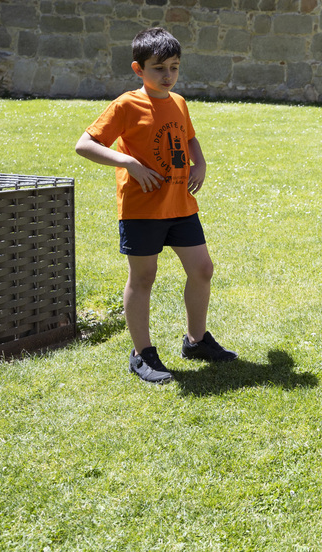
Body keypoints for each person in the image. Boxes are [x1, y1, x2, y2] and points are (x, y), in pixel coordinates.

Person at [75, 26, 237, 385]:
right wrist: (128, 162)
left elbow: (189, 137)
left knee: (202, 270)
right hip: (142, 207)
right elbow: (84, 145)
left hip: (181, 203)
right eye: (159, 68)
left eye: (174, 67)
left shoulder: (178, 102)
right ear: (138, 69)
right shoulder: (126, 104)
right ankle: (142, 353)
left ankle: (196, 342)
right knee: (144, 277)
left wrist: (201, 162)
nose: (168, 76)